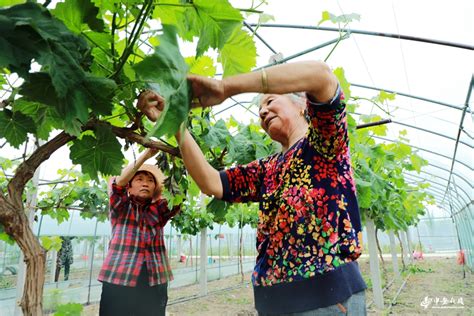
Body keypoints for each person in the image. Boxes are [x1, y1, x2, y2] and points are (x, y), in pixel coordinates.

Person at [138, 60, 367, 315]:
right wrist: (176, 124)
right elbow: (212, 182)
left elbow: (321, 76)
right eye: (260, 109)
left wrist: (226, 88)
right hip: (274, 304)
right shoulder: (268, 168)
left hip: (324, 301)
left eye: (270, 101)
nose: (263, 112)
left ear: (302, 103)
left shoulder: (324, 145)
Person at [98, 148, 180, 316]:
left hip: (154, 279)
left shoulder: (159, 209)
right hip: (119, 278)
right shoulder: (120, 207)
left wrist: (175, 162)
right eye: (140, 179)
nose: (145, 183)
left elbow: (177, 197)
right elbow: (118, 185)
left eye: (150, 181)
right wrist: (145, 156)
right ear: (130, 187)